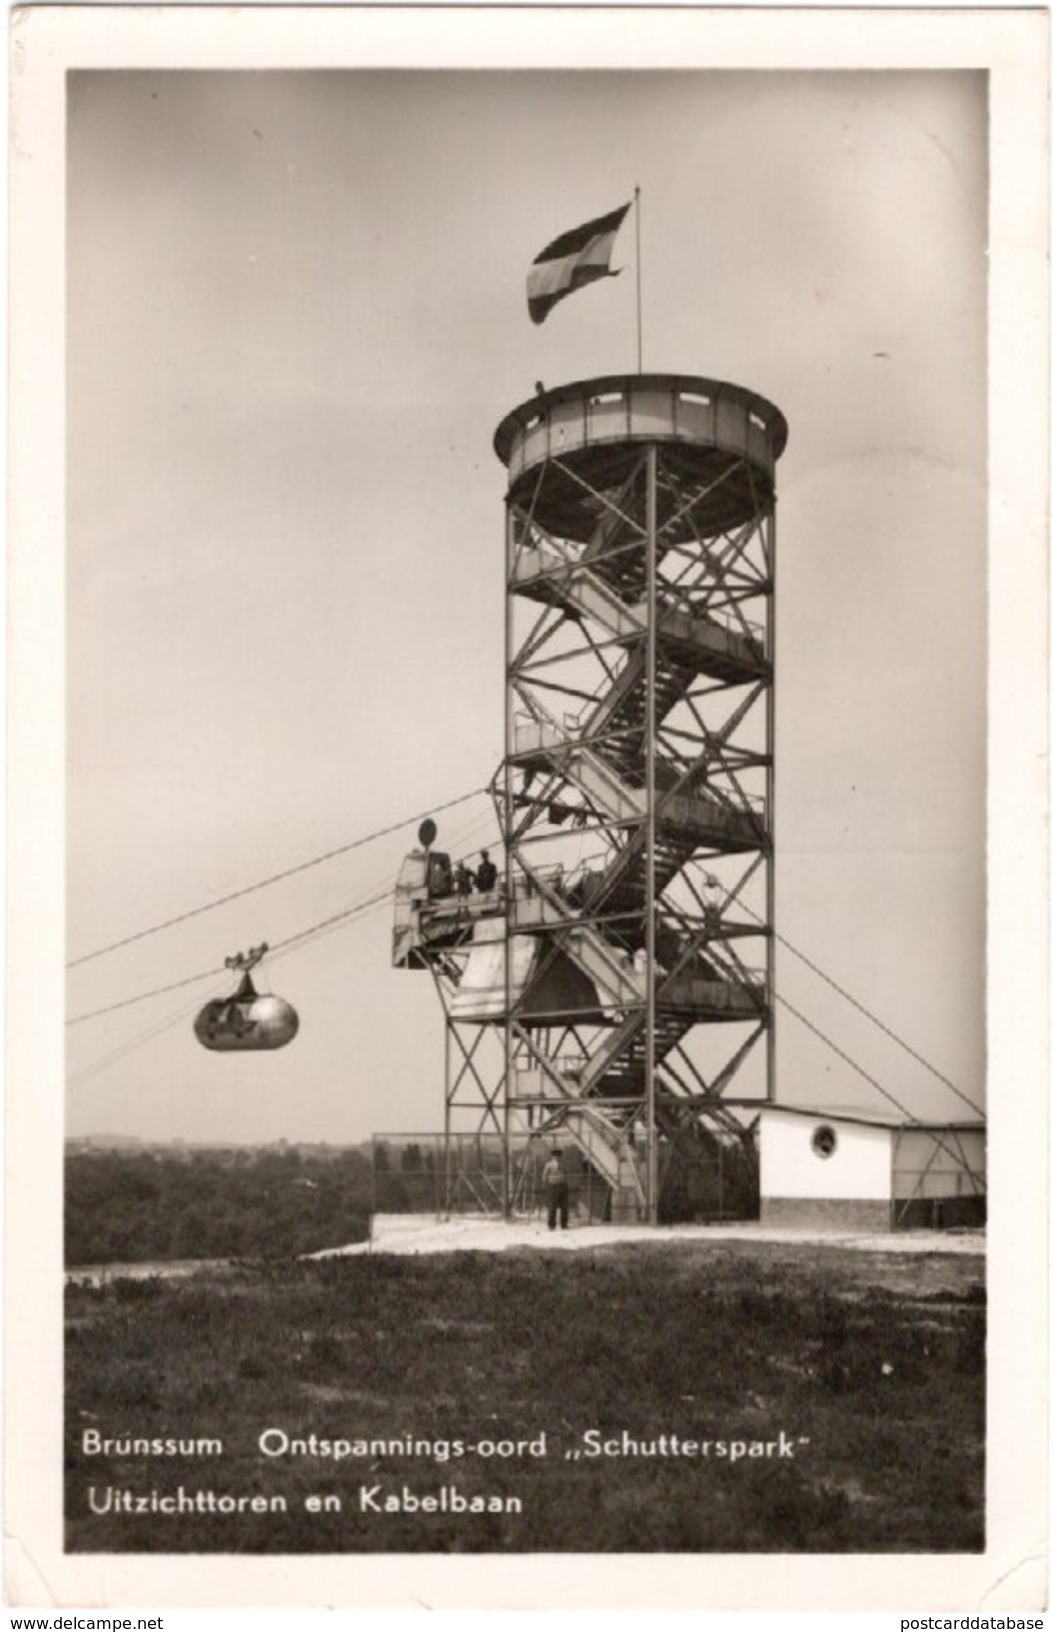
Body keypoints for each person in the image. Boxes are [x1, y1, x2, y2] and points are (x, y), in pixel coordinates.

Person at [542, 1148, 569, 1231]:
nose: (557, 1157)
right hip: (552, 1187)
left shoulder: (564, 1164)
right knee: (552, 1206)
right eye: (555, 1156)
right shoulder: (548, 1164)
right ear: (552, 1156)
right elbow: (544, 1175)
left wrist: (565, 1184)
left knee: (564, 1206)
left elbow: (566, 1174)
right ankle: (551, 1225)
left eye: (558, 1156)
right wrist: (546, 1185)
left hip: (562, 1186)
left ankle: (564, 1224)